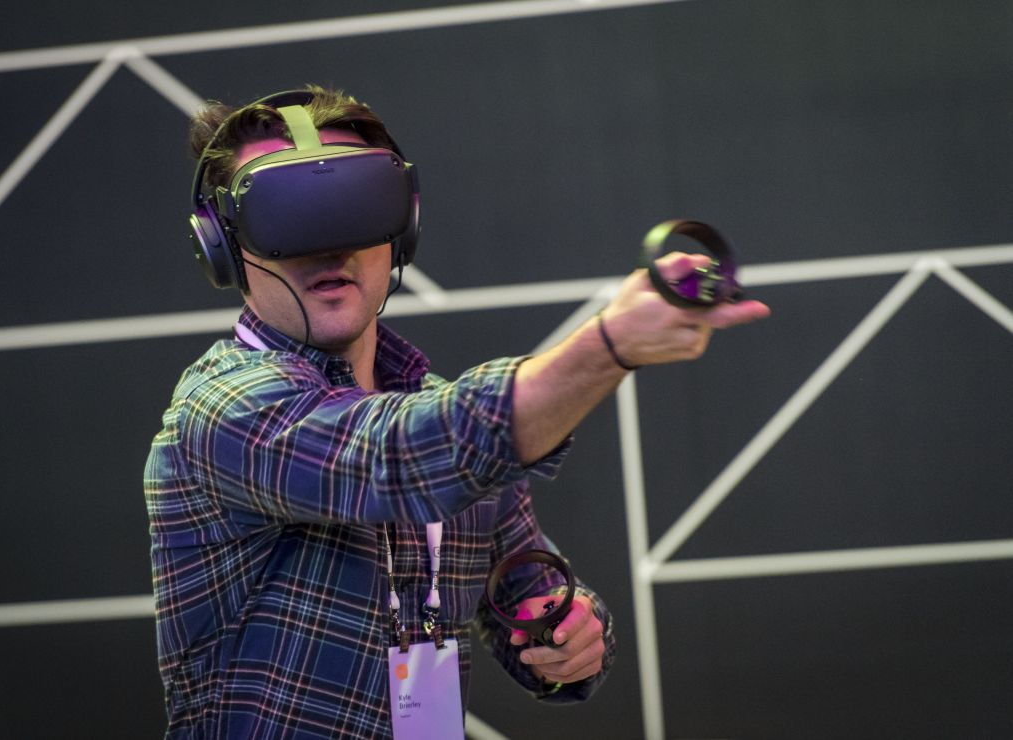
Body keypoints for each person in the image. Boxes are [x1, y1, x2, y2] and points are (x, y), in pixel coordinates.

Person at [144, 84, 770, 739]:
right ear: (223, 247)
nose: (329, 248)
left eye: (356, 206)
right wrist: (607, 346)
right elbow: (395, 458)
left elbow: (525, 583)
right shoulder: (221, 411)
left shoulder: (436, 411)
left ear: (402, 226)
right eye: (287, 216)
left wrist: (566, 630)